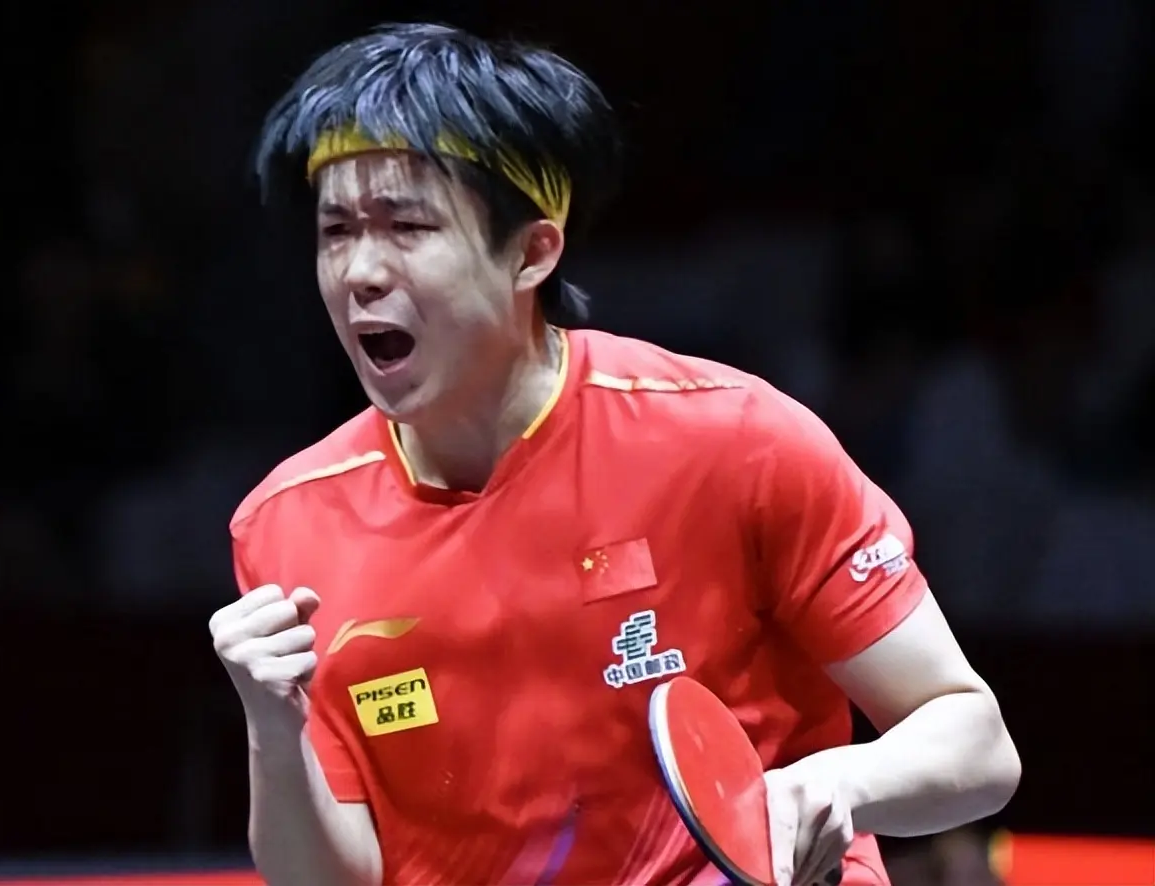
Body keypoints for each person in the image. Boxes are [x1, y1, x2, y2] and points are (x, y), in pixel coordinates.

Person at [208, 22, 1021, 886]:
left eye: (407, 225)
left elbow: (975, 742)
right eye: (336, 231)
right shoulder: (287, 527)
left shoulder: (732, 440)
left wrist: (835, 783)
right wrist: (272, 725)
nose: (359, 272)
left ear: (532, 252)